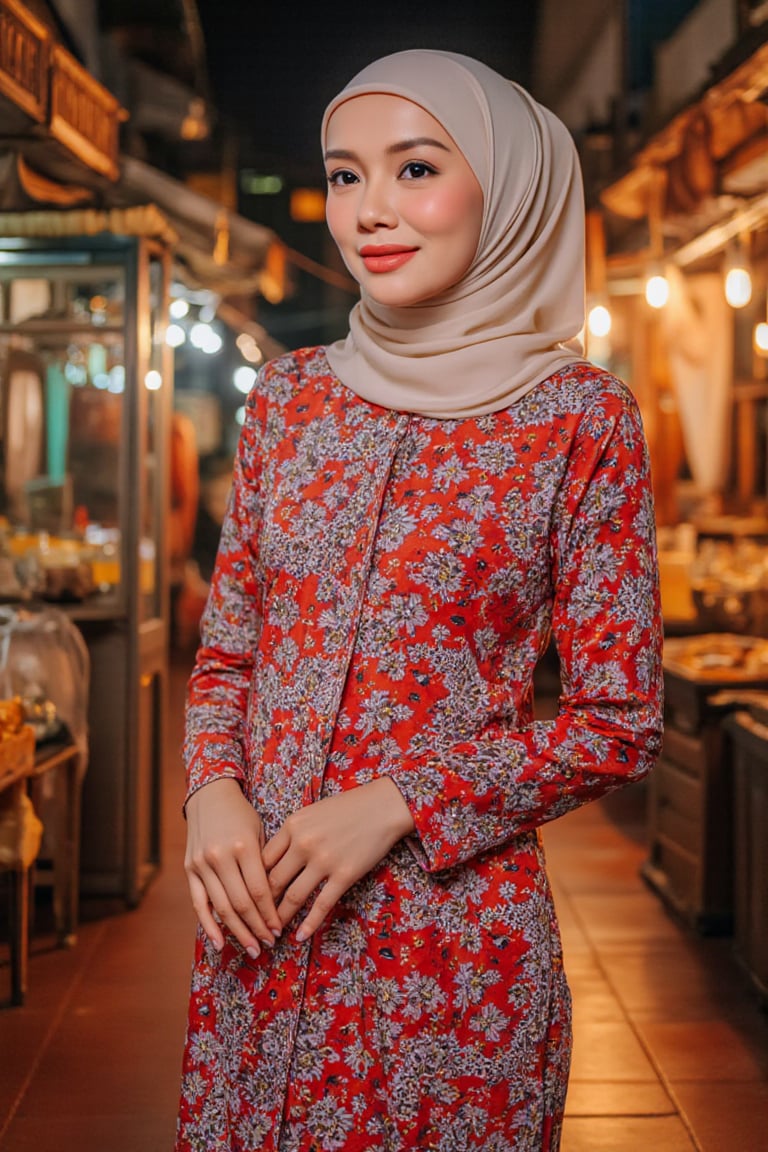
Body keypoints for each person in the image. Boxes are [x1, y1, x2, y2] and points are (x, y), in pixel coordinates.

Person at [175, 48, 664, 1152]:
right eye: (345, 176)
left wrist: (402, 800)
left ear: (505, 187)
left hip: (452, 951)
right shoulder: (290, 401)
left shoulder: (579, 419)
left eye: (415, 168)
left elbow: (619, 721)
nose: (370, 212)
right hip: (259, 932)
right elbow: (231, 657)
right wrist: (212, 793)